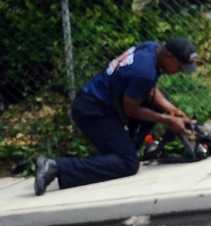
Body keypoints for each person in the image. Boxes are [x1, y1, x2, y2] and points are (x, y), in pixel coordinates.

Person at [33, 38, 200, 195]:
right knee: (128, 164)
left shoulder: (151, 49)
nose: (179, 71)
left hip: (103, 104)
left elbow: (148, 90)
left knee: (159, 106)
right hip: (93, 111)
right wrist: (168, 120)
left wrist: (171, 109)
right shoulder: (144, 72)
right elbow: (132, 110)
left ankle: (124, 151)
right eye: (179, 67)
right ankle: (56, 166)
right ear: (169, 56)